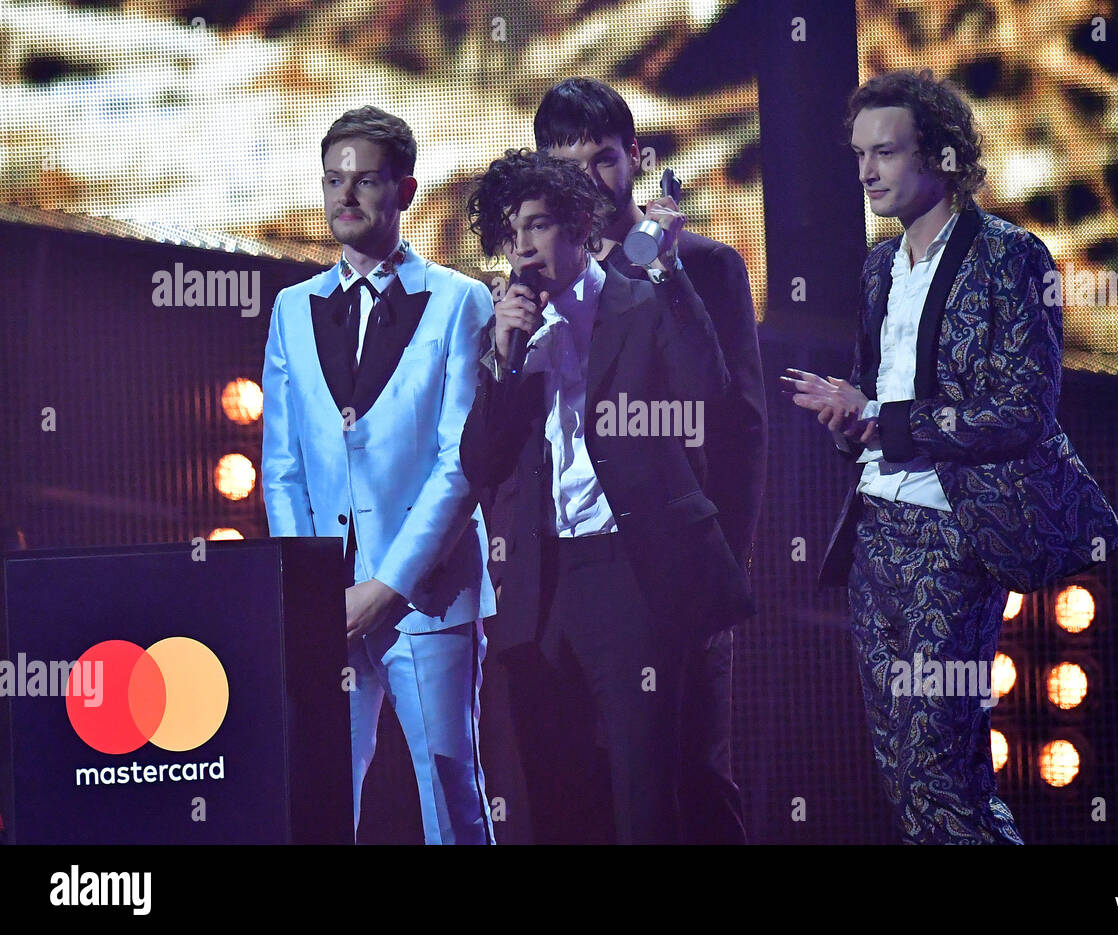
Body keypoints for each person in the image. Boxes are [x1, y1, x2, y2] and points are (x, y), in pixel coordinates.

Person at [783, 69, 1118, 844]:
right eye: (859, 155)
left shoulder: (1011, 257)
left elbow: (1023, 409)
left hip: (953, 537)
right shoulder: (879, 269)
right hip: (876, 535)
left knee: (944, 768)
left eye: (887, 152)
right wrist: (851, 418)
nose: (867, 171)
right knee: (903, 774)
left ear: (940, 155)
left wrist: (880, 417)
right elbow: (875, 402)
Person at [460, 149, 753, 844]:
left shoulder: (640, 299)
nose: (522, 248)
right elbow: (482, 462)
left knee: (647, 797)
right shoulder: (508, 329)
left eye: (536, 226)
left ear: (580, 226)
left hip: (634, 574)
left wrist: (670, 272)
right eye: (510, 234)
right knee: (556, 795)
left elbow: (706, 393)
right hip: (542, 585)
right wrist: (506, 360)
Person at [531, 76, 766, 844]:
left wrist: (721, 569)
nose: (587, 185)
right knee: (594, 786)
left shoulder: (702, 264)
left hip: (677, 567)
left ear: (637, 157)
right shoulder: (537, 282)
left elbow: (739, 429)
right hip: (571, 577)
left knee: (693, 776)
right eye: (565, 167)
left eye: (602, 161)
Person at [261, 105, 496, 844]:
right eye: (333, 180)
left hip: (428, 593)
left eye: (365, 181)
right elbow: (283, 464)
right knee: (322, 792)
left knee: (450, 790)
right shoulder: (293, 308)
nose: (345, 197)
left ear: (406, 190)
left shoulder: (461, 300)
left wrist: (386, 586)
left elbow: (463, 461)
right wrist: (312, 588)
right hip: (325, 602)